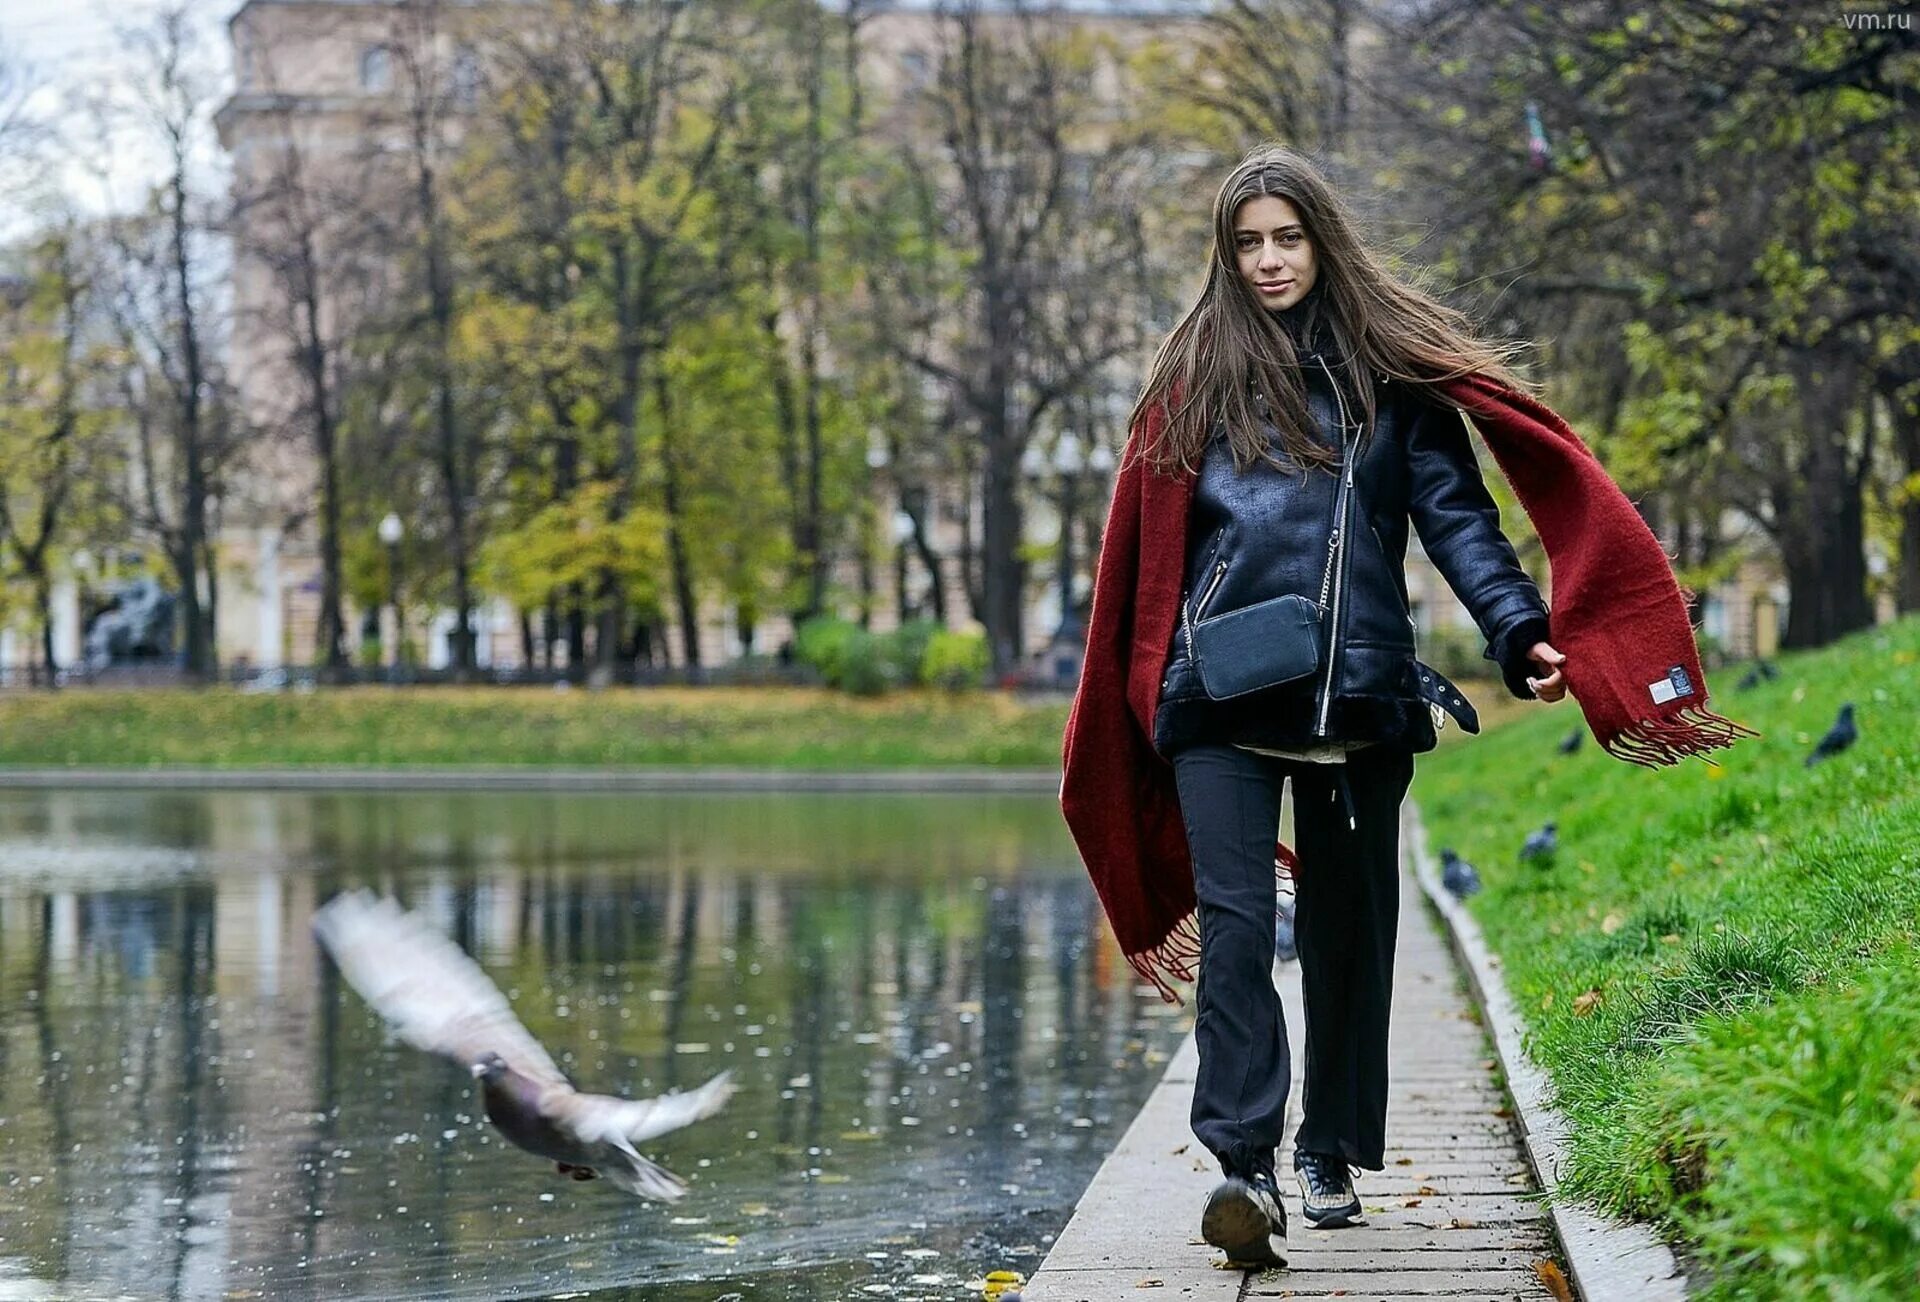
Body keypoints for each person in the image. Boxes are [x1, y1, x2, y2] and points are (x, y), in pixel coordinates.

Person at [1068, 144, 1573, 1270]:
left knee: (1351, 934)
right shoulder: (1189, 381)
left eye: (1286, 237)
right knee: (1241, 934)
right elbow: (1149, 560)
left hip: (1357, 698)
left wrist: (1517, 627)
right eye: (1246, 243)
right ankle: (1244, 1164)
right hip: (1219, 702)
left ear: (1323, 241)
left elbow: (1459, 523)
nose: (1267, 261)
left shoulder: (1393, 384)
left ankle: (1329, 1151)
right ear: (1225, 254)